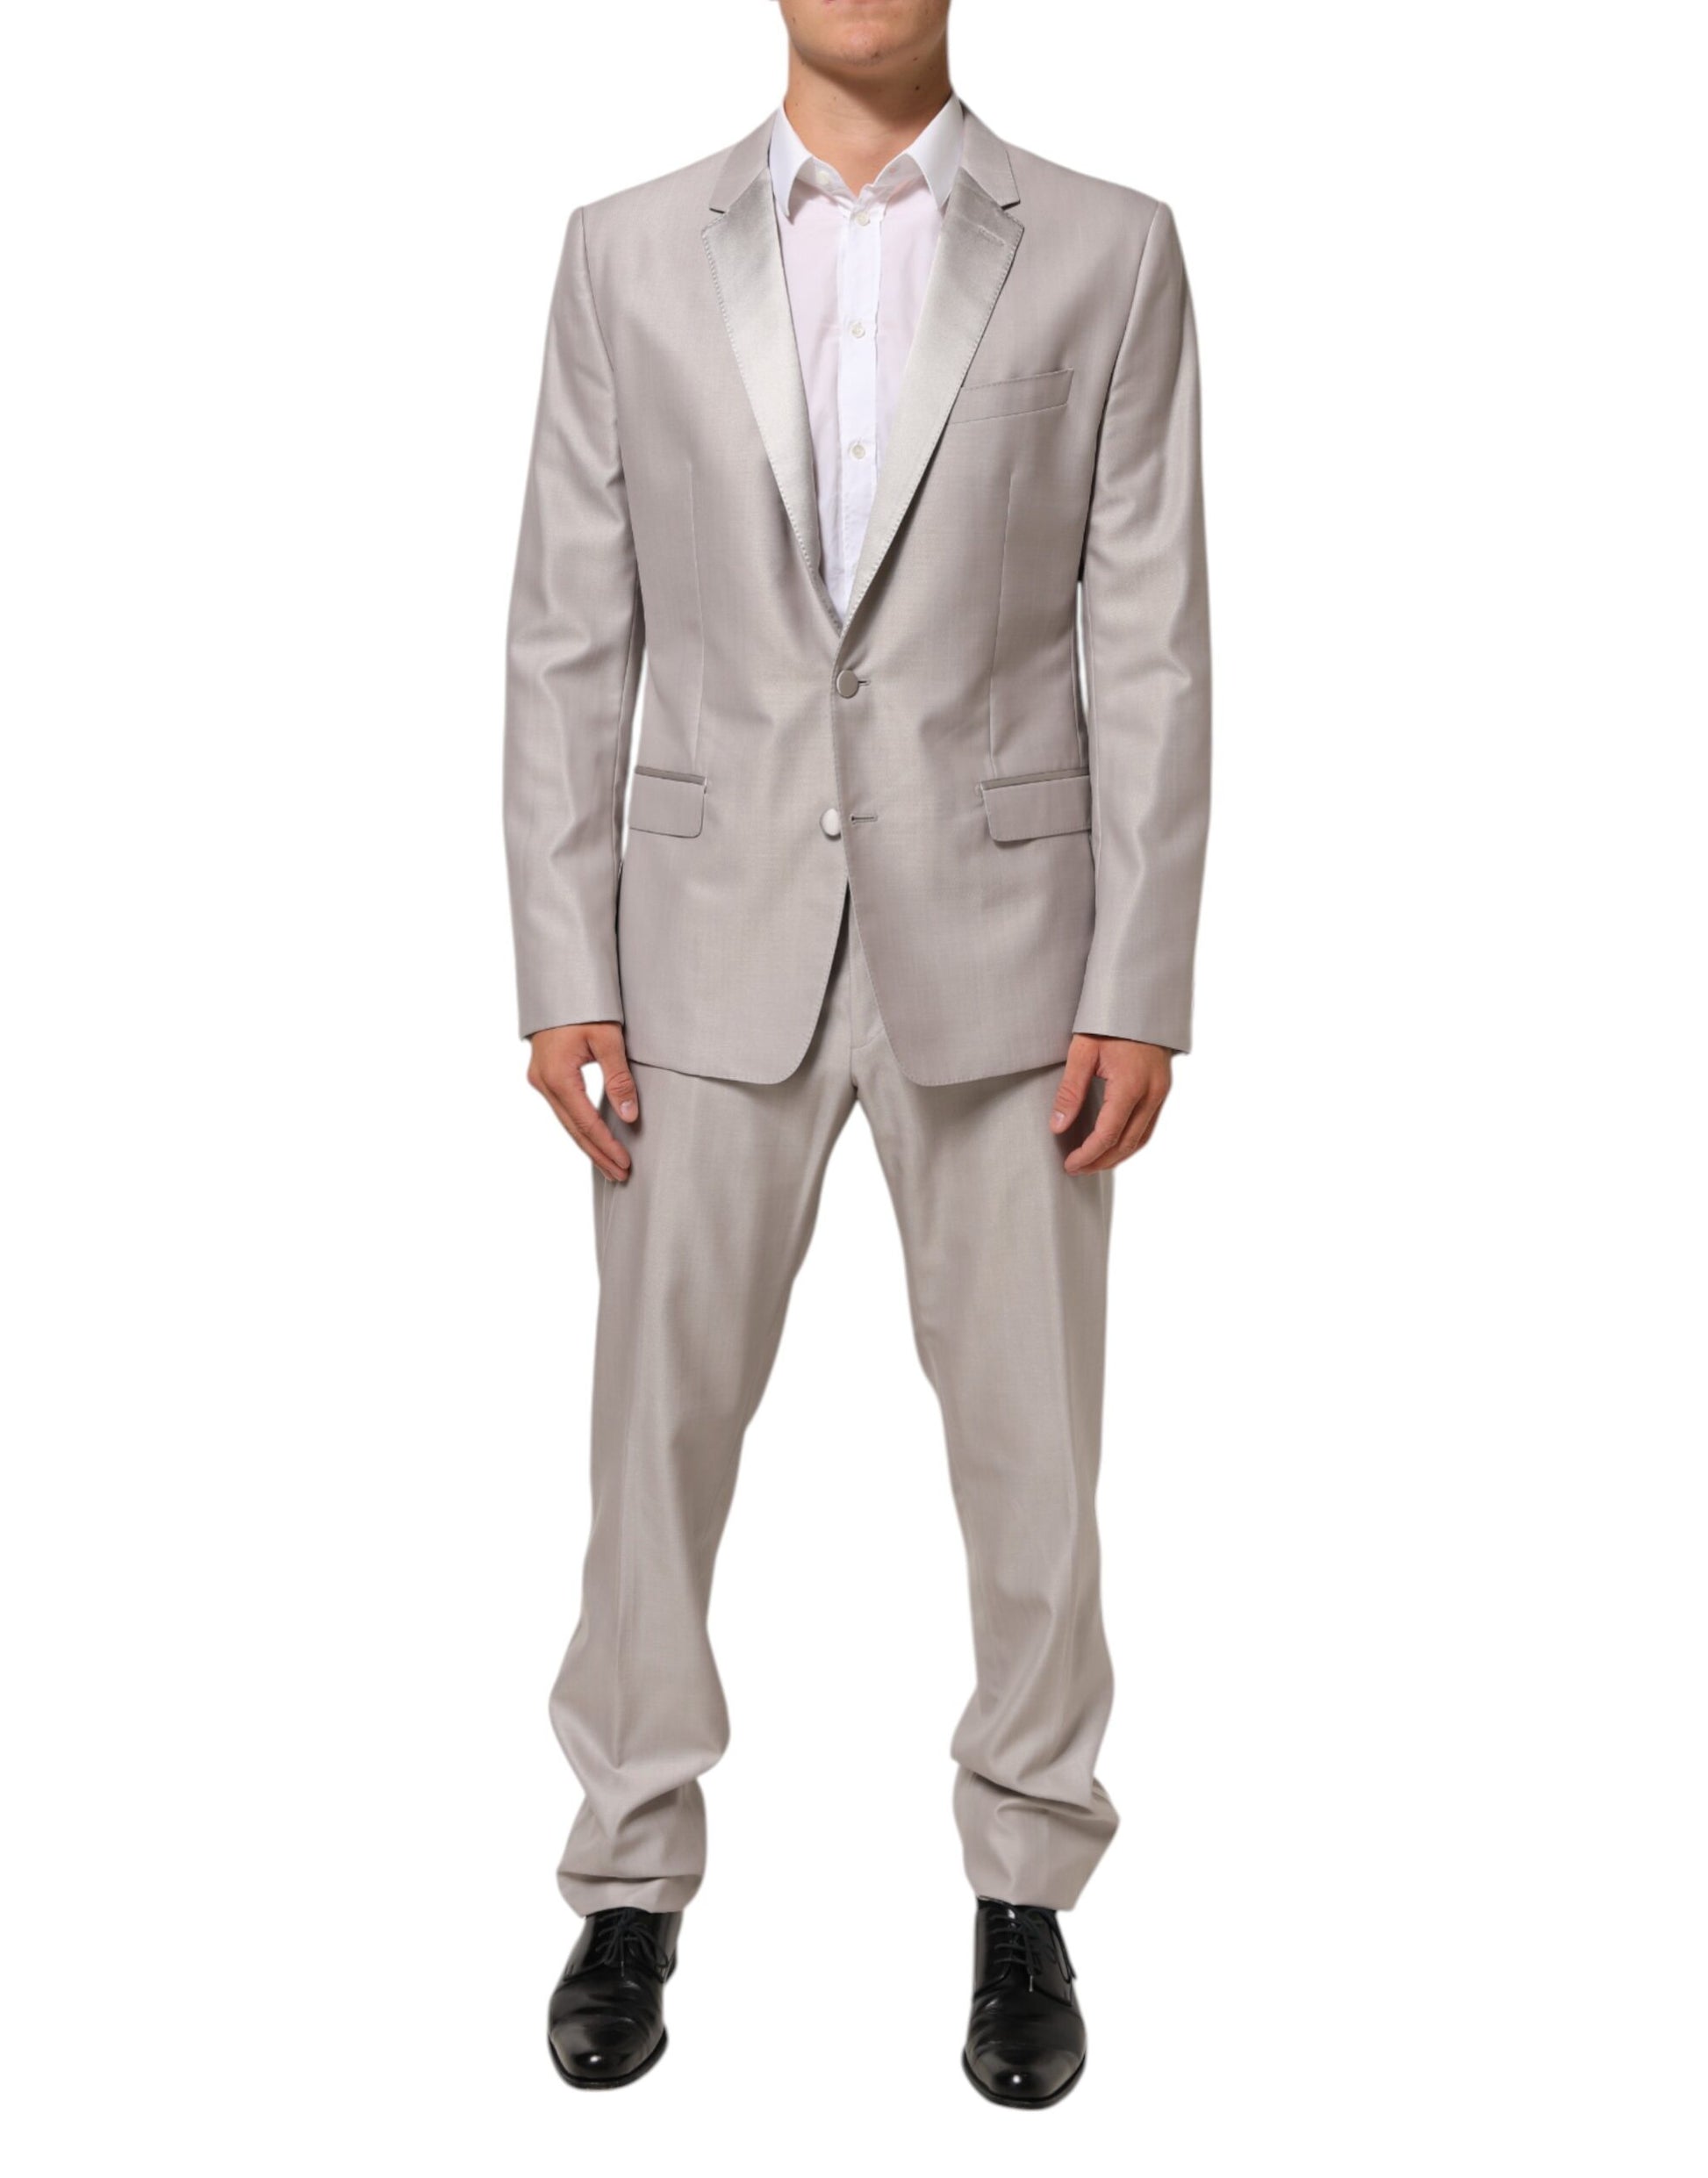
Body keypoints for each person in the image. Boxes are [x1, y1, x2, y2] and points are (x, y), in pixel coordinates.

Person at [504, 0, 1209, 2107]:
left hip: (1010, 950)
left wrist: (1140, 976)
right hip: (697, 938)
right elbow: (568, 627)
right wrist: (559, 959)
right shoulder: (624, 249)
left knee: (1030, 1452)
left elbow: (1149, 632)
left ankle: (1026, 1884)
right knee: (651, 1444)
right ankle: (628, 1872)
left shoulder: (1105, 246)